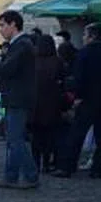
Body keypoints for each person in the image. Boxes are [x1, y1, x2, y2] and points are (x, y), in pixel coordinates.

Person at [0, 10, 40, 189]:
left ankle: (30, 176)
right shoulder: (20, 45)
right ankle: (11, 176)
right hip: (14, 97)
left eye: (2, 25)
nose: (0, 30)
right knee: (12, 139)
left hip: (18, 98)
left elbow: (6, 70)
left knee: (15, 139)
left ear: (13, 24)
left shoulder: (22, 45)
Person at [60, 22, 101, 178]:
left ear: (92, 36)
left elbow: (79, 78)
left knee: (77, 134)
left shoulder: (84, 53)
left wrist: (77, 96)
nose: (83, 38)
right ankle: (96, 168)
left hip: (88, 99)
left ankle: (68, 166)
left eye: (85, 35)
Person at [31, 32, 68, 175]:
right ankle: (46, 163)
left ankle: (35, 163)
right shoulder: (57, 62)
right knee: (49, 137)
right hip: (53, 104)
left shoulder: (34, 61)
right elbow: (62, 82)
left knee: (36, 137)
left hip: (36, 104)